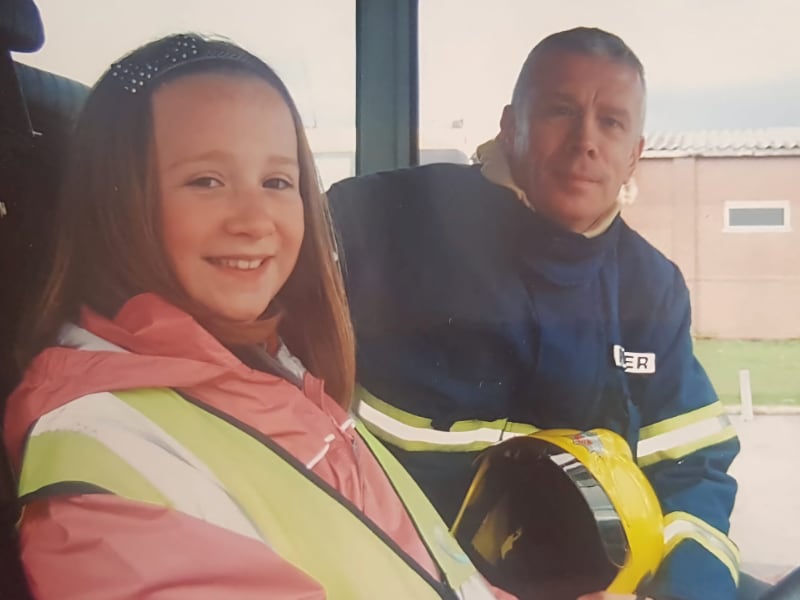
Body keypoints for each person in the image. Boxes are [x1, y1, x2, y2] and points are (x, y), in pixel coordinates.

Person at [3, 33, 512, 600]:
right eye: (206, 181)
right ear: (118, 202)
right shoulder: (107, 455)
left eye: (276, 182)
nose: (253, 220)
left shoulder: (275, 372)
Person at [328, 27, 740, 600]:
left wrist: (681, 592)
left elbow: (694, 467)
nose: (585, 141)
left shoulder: (651, 289)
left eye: (611, 122)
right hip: (386, 576)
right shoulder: (379, 220)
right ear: (509, 126)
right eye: (559, 111)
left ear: (634, 155)